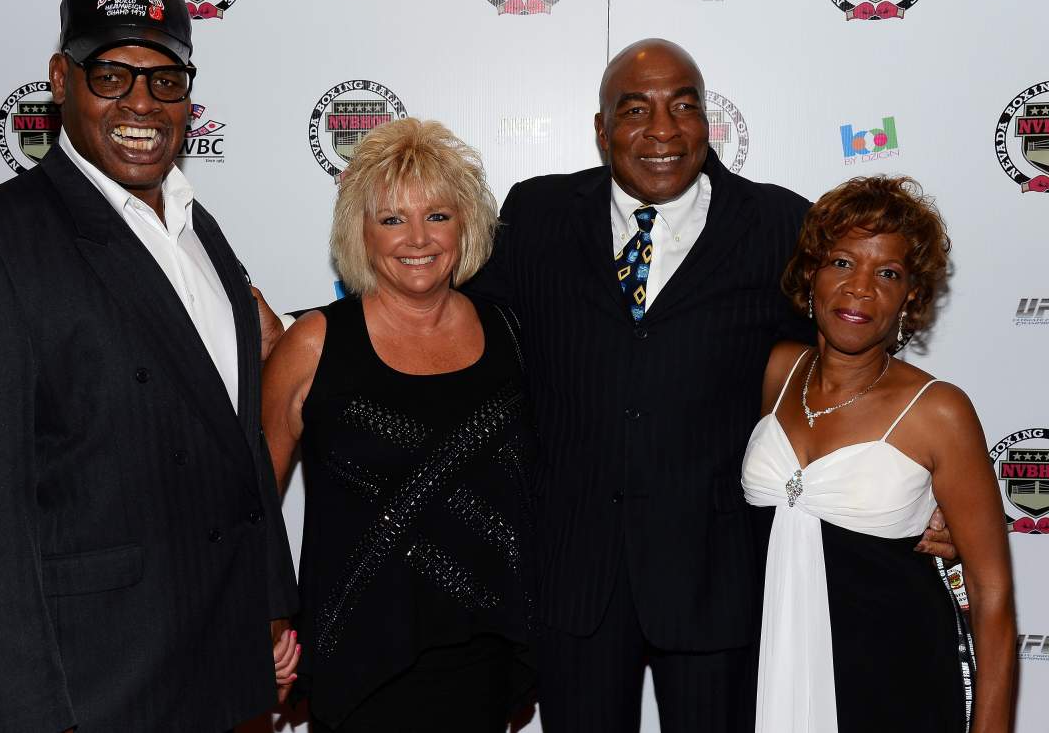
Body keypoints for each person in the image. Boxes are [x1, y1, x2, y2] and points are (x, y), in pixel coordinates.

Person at [465, 38, 955, 732]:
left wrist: (927, 480)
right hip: (574, 577)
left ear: (707, 120)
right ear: (602, 130)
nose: (662, 130)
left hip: (717, 579)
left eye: (683, 106)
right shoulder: (537, 214)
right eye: (635, 110)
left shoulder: (780, 225)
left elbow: (850, 359)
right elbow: (455, 336)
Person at [0, 0, 298, 732]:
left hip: (221, 674)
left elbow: (235, 445)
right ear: (61, 79)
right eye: (111, 75)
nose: (141, 103)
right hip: (97, 691)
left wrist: (271, 605)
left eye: (165, 80)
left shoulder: (200, 231)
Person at [262, 118, 536, 733]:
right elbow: (252, 504)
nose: (418, 238)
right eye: (391, 219)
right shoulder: (314, 343)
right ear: (360, 232)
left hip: (484, 655)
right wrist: (267, 621)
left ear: (466, 225)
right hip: (360, 656)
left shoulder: (512, 334)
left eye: (437, 215)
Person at [743, 176, 1014, 732]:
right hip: (768, 671)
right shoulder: (777, 371)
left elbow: (991, 592)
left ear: (910, 295)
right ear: (812, 273)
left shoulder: (939, 411)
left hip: (896, 685)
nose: (861, 288)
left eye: (887, 273)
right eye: (842, 263)